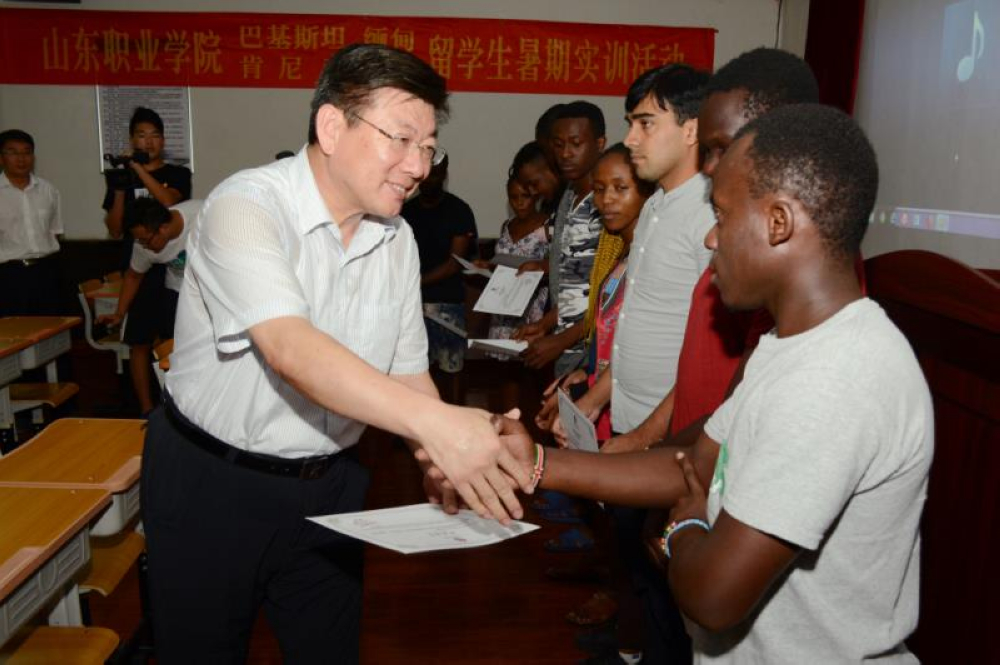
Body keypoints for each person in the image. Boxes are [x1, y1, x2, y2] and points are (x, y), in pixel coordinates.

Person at [496, 103, 933, 664]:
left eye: (722, 216)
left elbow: (713, 597)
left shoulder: (836, 377)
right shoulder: (787, 345)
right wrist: (535, 462)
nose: (709, 238)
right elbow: (692, 463)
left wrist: (684, 525)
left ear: (778, 223)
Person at [142, 44, 529, 663]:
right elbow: (291, 349)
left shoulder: (395, 239)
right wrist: (440, 427)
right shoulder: (245, 206)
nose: (418, 166)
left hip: (333, 483)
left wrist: (441, 454)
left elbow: (407, 373)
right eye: (401, 140)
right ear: (331, 126)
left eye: (429, 148)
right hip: (214, 484)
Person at [102, 107, 192, 416]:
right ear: (132, 140)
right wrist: (119, 188)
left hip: (176, 266)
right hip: (140, 261)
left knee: (174, 339)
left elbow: (169, 203)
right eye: (141, 136)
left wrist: (139, 170)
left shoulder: (177, 174)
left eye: (154, 136)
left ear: (163, 140)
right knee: (139, 341)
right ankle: (145, 409)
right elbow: (115, 229)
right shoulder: (121, 178)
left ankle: (179, 407)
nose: (148, 142)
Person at [520, 101, 606, 374]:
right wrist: (545, 325)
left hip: (594, 352)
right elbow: (574, 282)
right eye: (558, 145)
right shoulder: (568, 196)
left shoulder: (608, 204)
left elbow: (611, 293)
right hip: (566, 347)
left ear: (600, 144)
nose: (566, 154)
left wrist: (563, 339)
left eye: (576, 143)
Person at [401, 154, 477, 401]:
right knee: (415, 372)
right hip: (411, 306)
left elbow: (454, 263)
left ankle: (456, 417)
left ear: (444, 174)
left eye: (436, 173)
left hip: (447, 305)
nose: (430, 179)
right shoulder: (405, 210)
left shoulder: (458, 210)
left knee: (451, 371)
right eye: (426, 173)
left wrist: (417, 282)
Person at [97, 198, 202, 366]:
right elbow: (133, 276)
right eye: (139, 240)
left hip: (208, 290)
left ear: (163, 228)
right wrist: (119, 313)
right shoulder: (142, 244)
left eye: (146, 240)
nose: (143, 246)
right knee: (178, 351)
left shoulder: (202, 215)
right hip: (177, 293)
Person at [0, 129, 63, 317]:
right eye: (13, 152)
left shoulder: (49, 190)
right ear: (1, 158)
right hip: (7, 275)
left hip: (46, 272)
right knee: (13, 331)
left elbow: (55, 232)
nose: (21, 159)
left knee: (50, 329)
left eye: (27, 152)